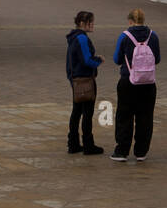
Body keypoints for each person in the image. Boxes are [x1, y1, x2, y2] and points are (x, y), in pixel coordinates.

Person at [111, 9, 160, 162]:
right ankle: (141, 151)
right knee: (145, 117)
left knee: (124, 115)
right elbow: (157, 59)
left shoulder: (125, 36)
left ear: (130, 21)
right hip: (148, 83)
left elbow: (117, 59)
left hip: (128, 81)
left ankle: (122, 151)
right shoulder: (153, 36)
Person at [65, 11, 104, 155]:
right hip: (85, 80)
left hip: (76, 79)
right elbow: (86, 60)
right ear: (82, 23)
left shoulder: (73, 37)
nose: (92, 25)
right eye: (90, 22)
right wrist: (98, 60)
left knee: (76, 112)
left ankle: (73, 143)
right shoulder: (81, 38)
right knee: (87, 113)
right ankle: (88, 144)